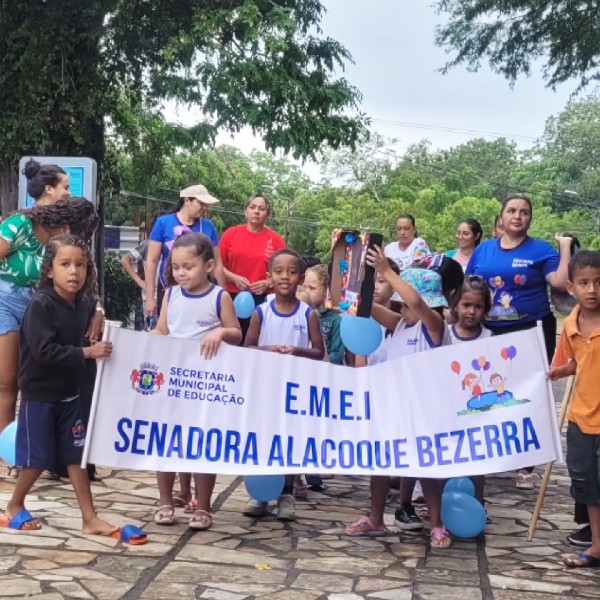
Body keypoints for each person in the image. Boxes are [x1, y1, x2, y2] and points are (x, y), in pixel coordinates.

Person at [1, 235, 121, 536]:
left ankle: (89, 518)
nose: (73, 272)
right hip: (40, 394)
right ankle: (14, 504)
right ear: (49, 270)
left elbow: (94, 305)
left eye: (80, 265)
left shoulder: (82, 303)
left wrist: (98, 312)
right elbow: (44, 352)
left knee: (76, 456)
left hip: (70, 394)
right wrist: (87, 352)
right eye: (65, 264)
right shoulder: (40, 305)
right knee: (37, 458)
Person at [465, 193, 573, 489]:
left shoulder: (541, 250)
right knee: (488, 389)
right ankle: (490, 452)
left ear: (529, 218)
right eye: (511, 211)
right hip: (488, 330)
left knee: (528, 393)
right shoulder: (484, 249)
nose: (517, 216)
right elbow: (468, 284)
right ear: (501, 217)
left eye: (524, 212)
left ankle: (524, 465)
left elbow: (560, 282)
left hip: (530, 330)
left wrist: (564, 247)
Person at [346, 252, 452, 549]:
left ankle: (437, 524)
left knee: (426, 469)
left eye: (405, 304)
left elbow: (416, 303)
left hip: (424, 410)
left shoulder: (434, 326)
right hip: (393, 406)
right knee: (380, 463)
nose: (402, 308)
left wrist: (388, 271)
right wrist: (355, 284)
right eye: (400, 304)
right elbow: (369, 307)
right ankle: (375, 519)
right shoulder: (402, 324)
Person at [0, 198, 99, 478]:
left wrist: (98, 309)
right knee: (8, 382)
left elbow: (89, 281)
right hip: (5, 300)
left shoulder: (66, 248)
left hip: (42, 307)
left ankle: (46, 455)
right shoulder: (21, 225)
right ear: (65, 226)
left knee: (38, 377)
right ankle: (8, 455)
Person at [152, 233, 241, 530]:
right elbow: (162, 330)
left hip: (205, 385)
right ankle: (166, 501)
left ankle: (203, 506)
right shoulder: (170, 294)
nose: (181, 273)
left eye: (188, 267)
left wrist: (220, 332)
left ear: (209, 266)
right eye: (176, 267)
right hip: (173, 382)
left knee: (202, 444)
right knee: (167, 442)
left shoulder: (220, 297)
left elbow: (236, 332)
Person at [242, 249, 325, 521]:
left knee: (290, 441)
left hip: (295, 391)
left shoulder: (308, 314)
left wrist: (296, 351)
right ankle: (260, 493)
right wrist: (270, 350)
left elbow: (318, 351)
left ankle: (286, 494)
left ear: (300, 278)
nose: (285, 277)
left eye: (291, 272)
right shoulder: (261, 312)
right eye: (278, 272)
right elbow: (248, 347)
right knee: (263, 438)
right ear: (270, 276)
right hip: (265, 388)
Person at [548, 251, 600, 568]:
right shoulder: (570, 324)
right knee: (587, 484)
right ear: (571, 287)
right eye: (584, 283)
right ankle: (597, 545)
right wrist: (558, 372)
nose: (592, 289)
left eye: (599, 282)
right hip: (581, 419)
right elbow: (575, 363)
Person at [145, 184, 226, 318]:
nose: (204, 208)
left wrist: (222, 295)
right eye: (201, 203)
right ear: (187, 200)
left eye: (206, 205)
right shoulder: (163, 223)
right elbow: (152, 260)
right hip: (168, 288)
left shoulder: (208, 226)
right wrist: (150, 297)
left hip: (201, 292)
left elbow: (217, 264)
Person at [448, 275, 493, 512]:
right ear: (455, 305)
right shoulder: (445, 335)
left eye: (478, 306)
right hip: (447, 411)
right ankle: (444, 504)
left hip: (477, 413)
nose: (472, 311)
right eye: (466, 305)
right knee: (448, 458)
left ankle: (478, 503)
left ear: (485, 309)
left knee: (477, 461)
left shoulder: (490, 339)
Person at [219, 194, 286, 341]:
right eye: (252, 207)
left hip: (263, 299)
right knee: (229, 339)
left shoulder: (276, 240)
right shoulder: (230, 234)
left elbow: (285, 272)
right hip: (231, 296)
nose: (256, 212)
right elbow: (217, 266)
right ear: (245, 211)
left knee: (256, 340)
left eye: (261, 209)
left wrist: (268, 283)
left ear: (267, 214)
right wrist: (234, 278)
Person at [303, 264, 344, 365]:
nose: (306, 292)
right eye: (304, 287)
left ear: (326, 291)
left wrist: (316, 365)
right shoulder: (299, 314)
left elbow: (337, 354)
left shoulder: (335, 321)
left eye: (312, 288)